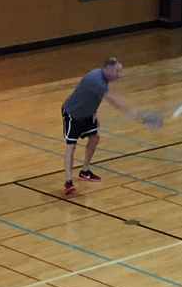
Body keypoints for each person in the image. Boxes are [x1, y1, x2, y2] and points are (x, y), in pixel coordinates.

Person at [59, 57, 151, 195]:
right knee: (71, 146)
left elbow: (90, 96)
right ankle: (68, 181)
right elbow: (115, 102)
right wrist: (137, 114)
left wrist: (94, 113)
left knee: (95, 138)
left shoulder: (103, 80)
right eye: (117, 71)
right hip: (73, 114)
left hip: (87, 114)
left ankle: (85, 172)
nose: (118, 75)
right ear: (107, 68)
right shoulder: (96, 80)